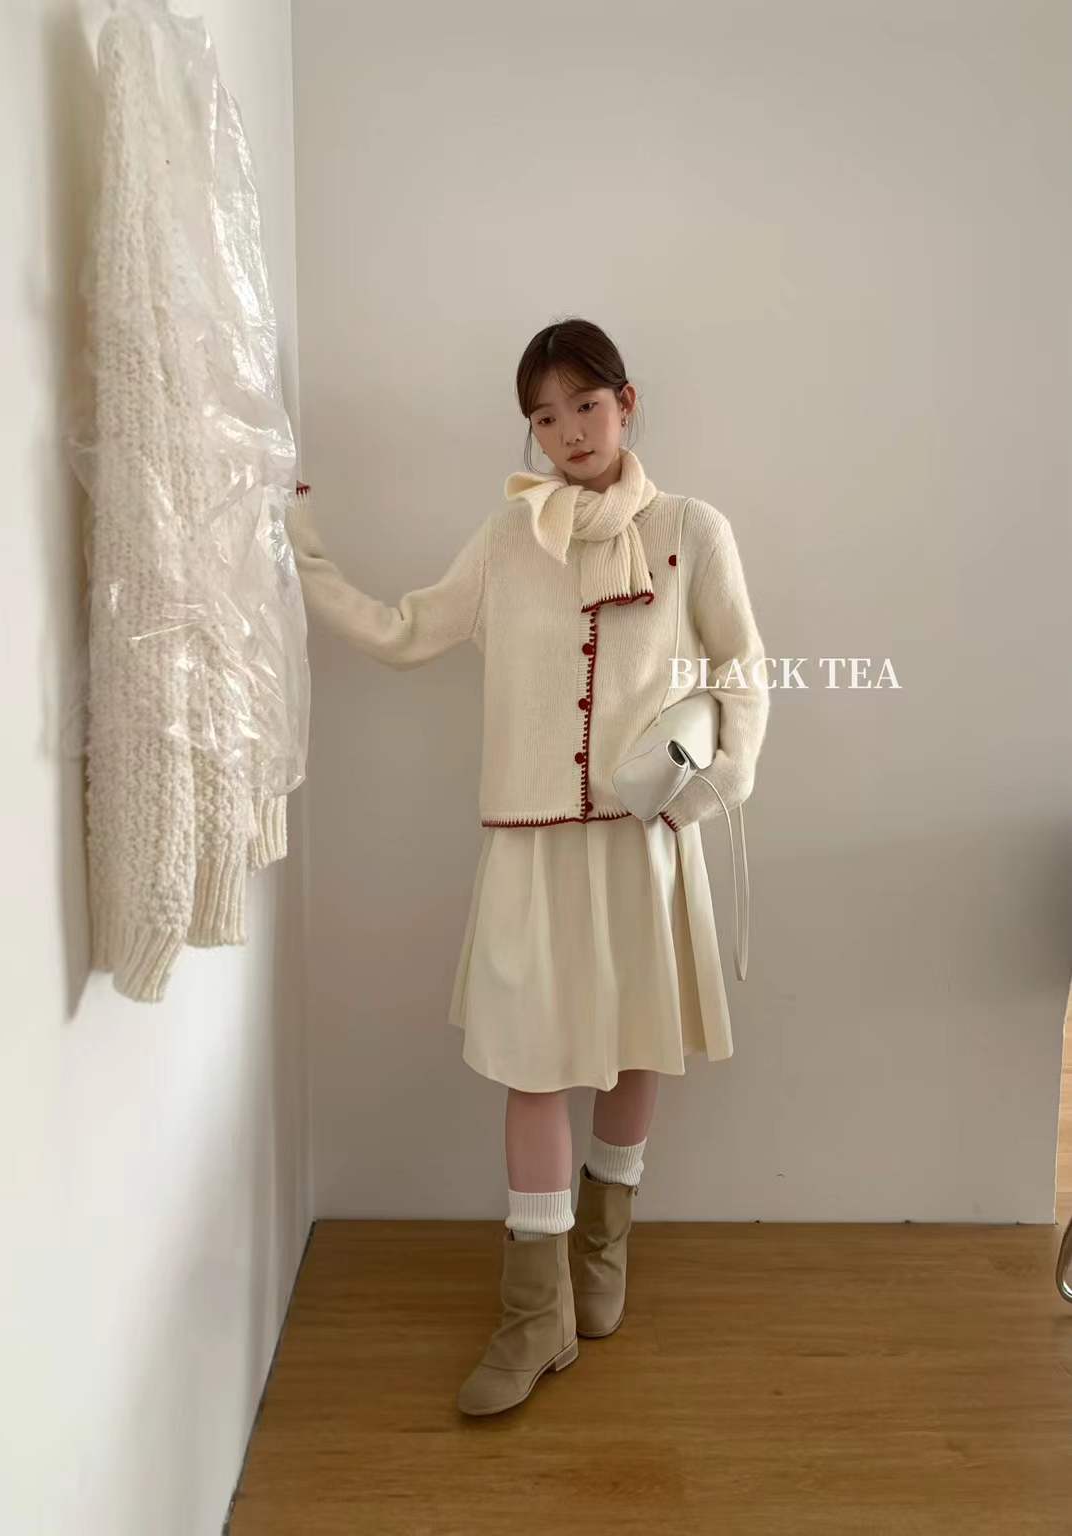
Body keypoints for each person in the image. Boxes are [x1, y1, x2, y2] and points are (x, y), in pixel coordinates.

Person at [287, 317, 770, 1417]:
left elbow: (742, 668)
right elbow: (405, 630)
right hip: (529, 844)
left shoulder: (692, 530)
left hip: (644, 837)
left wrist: (714, 788)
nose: (568, 433)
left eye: (585, 407)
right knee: (531, 1067)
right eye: (544, 418)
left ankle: (603, 1248)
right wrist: (301, 551)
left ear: (626, 403)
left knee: (638, 1042)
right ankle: (533, 1312)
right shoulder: (509, 539)